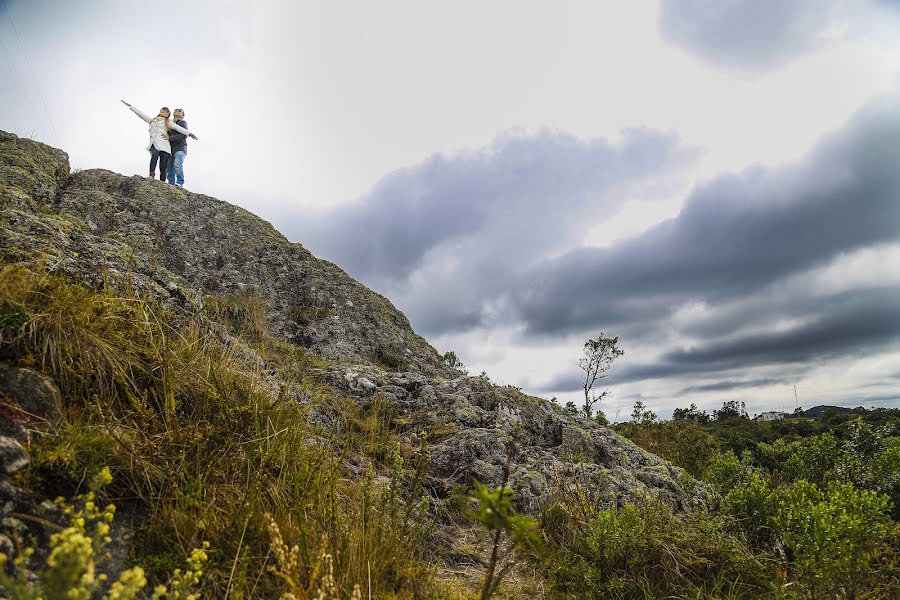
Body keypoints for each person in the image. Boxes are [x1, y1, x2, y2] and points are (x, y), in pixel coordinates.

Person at [120, 100, 197, 181]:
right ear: (160, 111)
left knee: (163, 167)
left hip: (165, 145)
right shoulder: (152, 120)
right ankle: (151, 175)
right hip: (154, 143)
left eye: (167, 111)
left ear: (168, 115)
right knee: (154, 155)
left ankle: (163, 182)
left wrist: (190, 134)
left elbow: (179, 128)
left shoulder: (168, 122)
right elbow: (142, 115)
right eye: (163, 110)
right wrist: (131, 106)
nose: (164, 112)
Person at [166, 108, 191, 187]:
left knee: (177, 164)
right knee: (169, 168)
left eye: (180, 111)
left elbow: (183, 135)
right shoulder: (169, 123)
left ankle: (180, 182)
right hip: (170, 149)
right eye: (175, 110)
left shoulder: (182, 122)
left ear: (182, 115)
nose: (177, 111)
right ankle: (171, 184)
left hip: (180, 148)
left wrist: (170, 138)